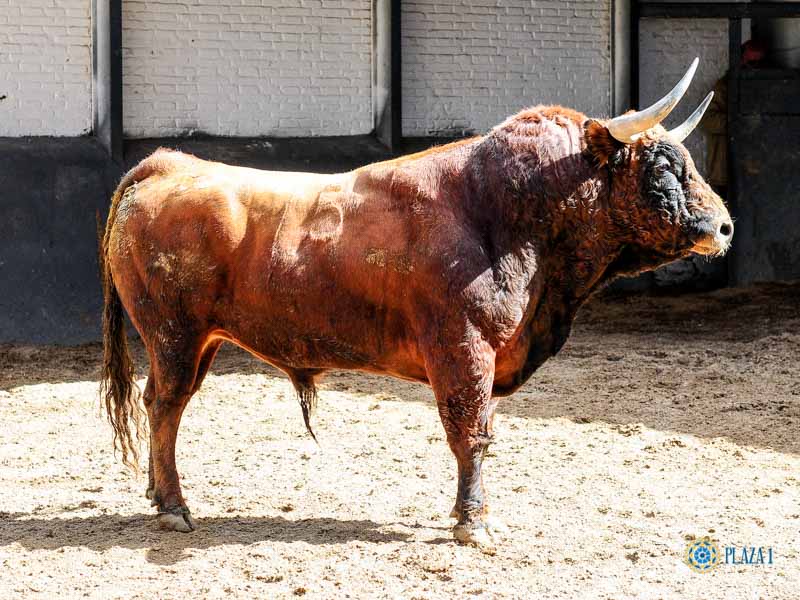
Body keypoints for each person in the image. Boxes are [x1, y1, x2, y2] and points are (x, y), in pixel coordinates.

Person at [699, 39, 767, 199]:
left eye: (759, 64)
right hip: (726, 170)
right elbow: (707, 120)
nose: (753, 69)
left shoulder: (765, 88)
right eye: (750, 63)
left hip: (755, 169)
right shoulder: (724, 87)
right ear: (741, 60)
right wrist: (737, 122)